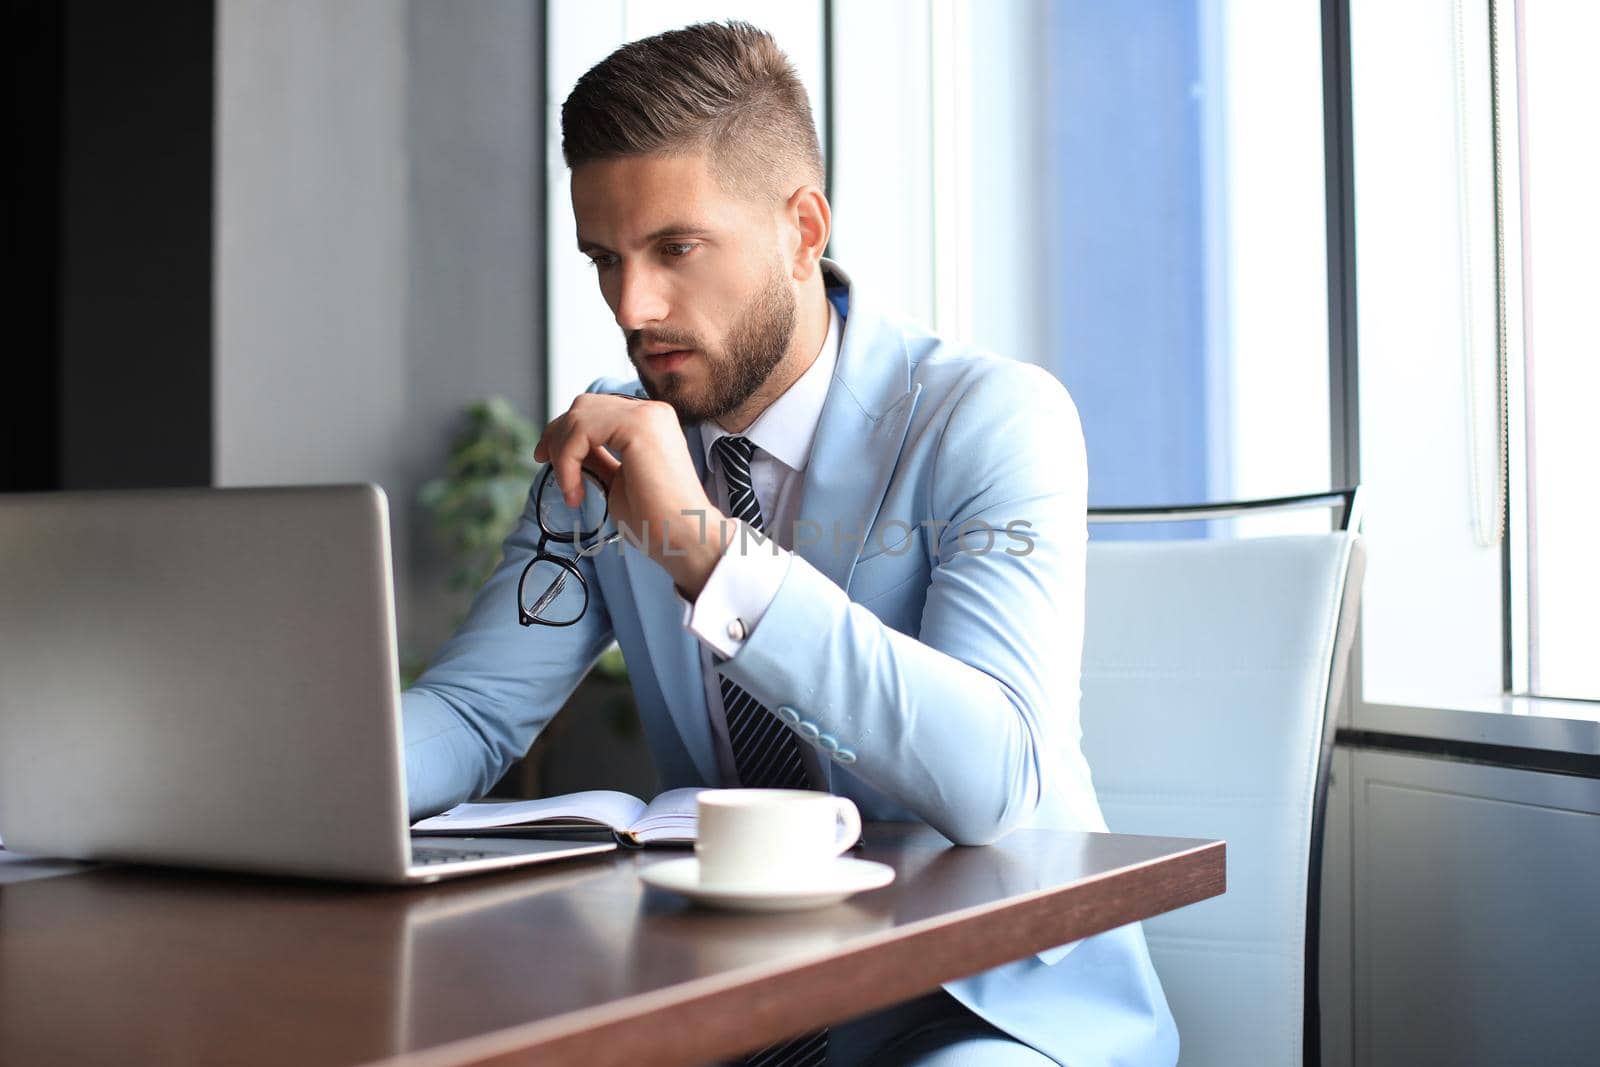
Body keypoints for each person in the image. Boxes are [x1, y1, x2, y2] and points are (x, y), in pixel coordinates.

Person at [402, 20, 1176, 1067]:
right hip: (729, 1000)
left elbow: (990, 781)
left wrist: (705, 550)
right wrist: (287, 785)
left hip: (985, 1011)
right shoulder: (614, 441)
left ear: (802, 228)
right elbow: (471, 707)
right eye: (604, 259)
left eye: (676, 248)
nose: (633, 307)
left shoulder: (992, 418)